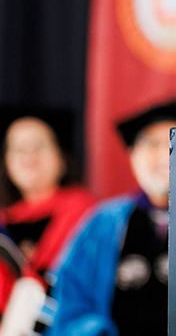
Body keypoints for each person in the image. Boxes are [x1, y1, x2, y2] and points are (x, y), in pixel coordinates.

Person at [46, 100, 176, 336]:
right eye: (152, 144)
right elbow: (70, 303)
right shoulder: (105, 223)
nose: (165, 154)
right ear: (133, 155)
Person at [0, 110, 95, 331]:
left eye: (39, 146)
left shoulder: (89, 214)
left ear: (61, 158)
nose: (29, 156)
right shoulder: (3, 222)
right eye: (19, 148)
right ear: (6, 162)